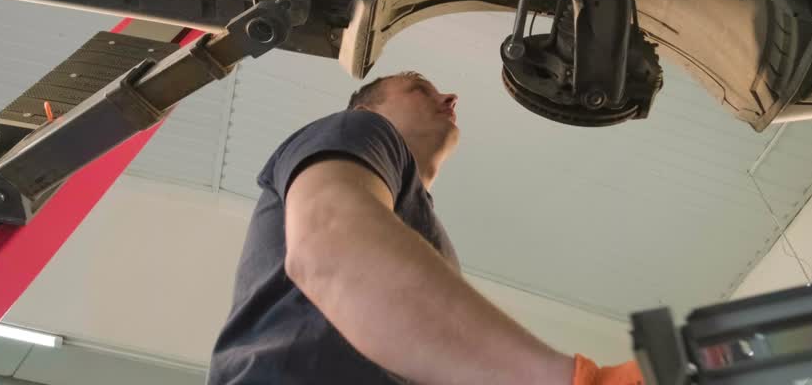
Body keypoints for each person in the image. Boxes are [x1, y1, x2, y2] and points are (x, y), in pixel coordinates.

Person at [208, 71, 641, 384]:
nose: (451, 97)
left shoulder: (426, 234)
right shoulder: (358, 127)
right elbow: (332, 247)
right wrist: (576, 381)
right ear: (366, 109)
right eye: (419, 88)